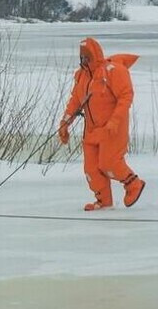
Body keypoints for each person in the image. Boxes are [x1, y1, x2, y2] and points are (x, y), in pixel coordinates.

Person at [57, 37, 146, 211]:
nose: (84, 60)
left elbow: (126, 96)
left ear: (95, 55)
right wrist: (65, 123)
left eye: (87, 56)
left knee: (109, 163)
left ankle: (133, 184)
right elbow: (75, 101)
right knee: (91, 169)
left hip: (112, 128)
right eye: (82, 57)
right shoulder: (81, 76)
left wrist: (114, 121)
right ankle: (103, 200)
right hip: (91, 130)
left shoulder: (113, 71)